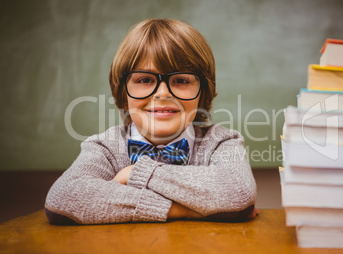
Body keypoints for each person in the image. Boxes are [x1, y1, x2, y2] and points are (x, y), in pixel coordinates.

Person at [45, 18, 258, 225]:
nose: (163, 93)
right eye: (145, 80)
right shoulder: (105, 147)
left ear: (202, 93)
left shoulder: (222, 141)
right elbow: (63, 199)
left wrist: (135, 174)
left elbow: (238, 194)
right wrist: (181, 210)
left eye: (181, 80)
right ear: (123, 92)